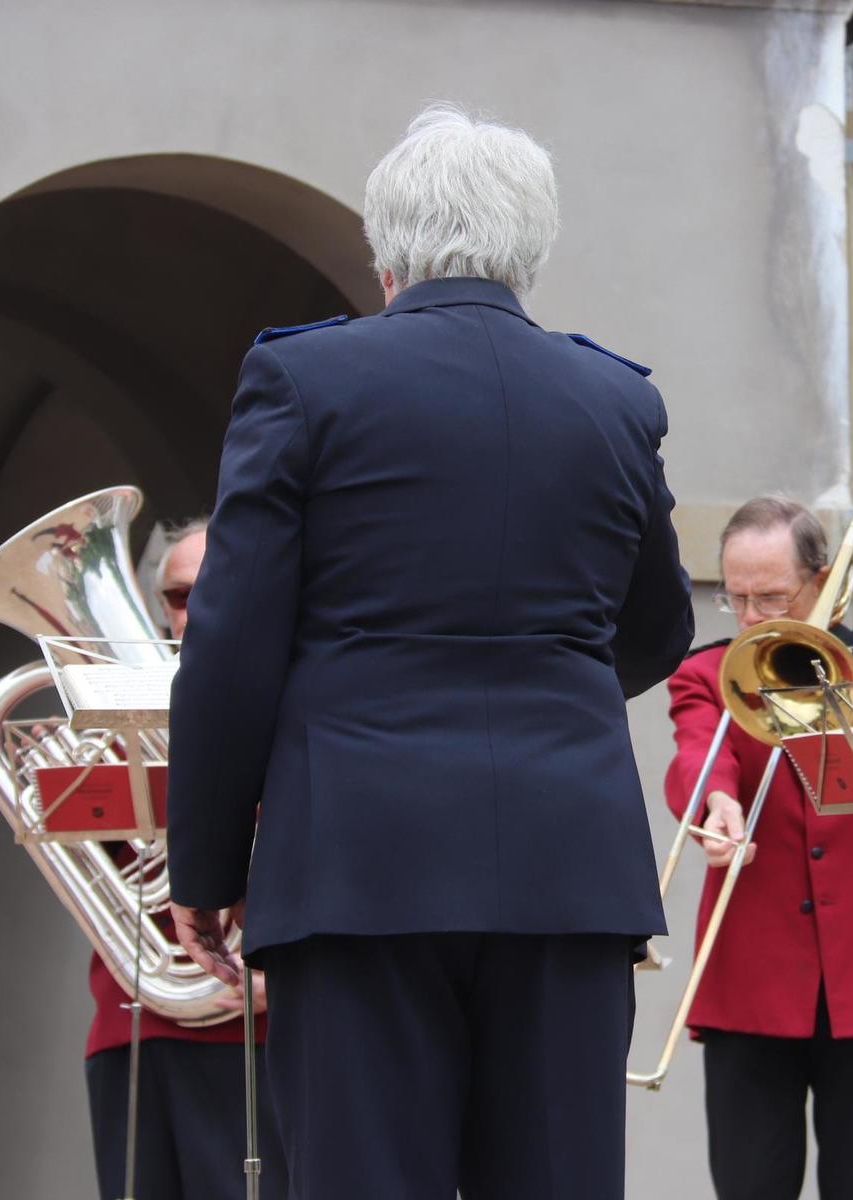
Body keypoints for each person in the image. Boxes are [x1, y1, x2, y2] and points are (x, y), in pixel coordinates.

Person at [165, 102, 694, 1200]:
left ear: (386, 246)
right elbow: (655, 629)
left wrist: (207, 868)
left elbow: (230, 644)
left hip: (360, 864)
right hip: (567, 866)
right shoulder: (617, 399)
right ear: (532, 249)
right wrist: (545, 701)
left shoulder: (306, 382)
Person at [664, 496, 853, 1200]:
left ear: (823, 580)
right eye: (735, 599)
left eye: (771, 598)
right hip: (752, 977)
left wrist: (851, 691)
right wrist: (716, 801)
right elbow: (697, 752)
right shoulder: (708, 671)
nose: (750, 620)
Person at [82, 516, 289, 1200]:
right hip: (136, 1030)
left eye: (214, 587)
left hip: (273, 1032)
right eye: (176, 596)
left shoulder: (307, 712)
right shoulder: (113, 732)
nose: (196, 611)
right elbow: (93, 878)